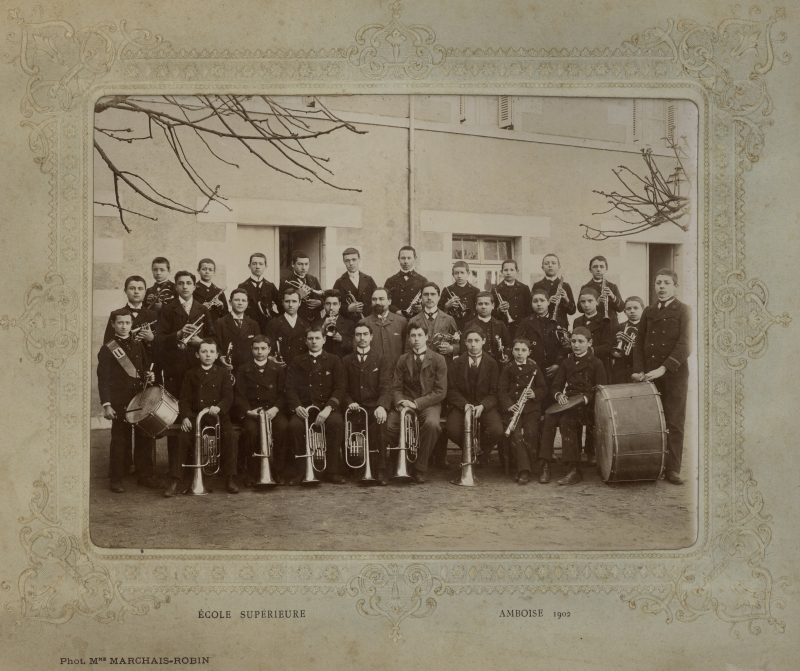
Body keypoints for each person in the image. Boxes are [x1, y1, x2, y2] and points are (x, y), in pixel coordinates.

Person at [632, 269, 691, 485]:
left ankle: (673, 469)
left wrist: (664, 368)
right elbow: (639, 343)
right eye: (658, 283)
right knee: (650, 421)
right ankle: (652, 464)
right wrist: (638, 370)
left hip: (674, 375)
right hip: (649, 375)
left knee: (674, 422)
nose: (662, 287)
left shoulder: (685, 311)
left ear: (676, 286)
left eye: (667, 283)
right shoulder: (648, 311)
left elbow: (686, 344)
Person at [156, 270, 217, 476]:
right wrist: (179, 334)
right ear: (175, 286)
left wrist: (200, 342)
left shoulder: (202, 309)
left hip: (198, 370)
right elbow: (159, 340)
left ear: (194, 286)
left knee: (195, 414)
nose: (184, 286)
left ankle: (196, 466)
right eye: (180, 283)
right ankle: (176, 469)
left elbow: (212, 337)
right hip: (175, 370)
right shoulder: (167, 309)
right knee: (178, 421)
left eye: (188, 283)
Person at [97, 309, 159, 492]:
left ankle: (145, 475)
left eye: (127, 323)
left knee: (144, 437)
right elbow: (103, 378)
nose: (124, 327)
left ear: (132, 325)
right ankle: (116, 477)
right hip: (118, 400)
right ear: (113, 325)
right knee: (120, 439)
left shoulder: (138, 345)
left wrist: (150, 374)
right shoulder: (108, 348)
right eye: (120, 323)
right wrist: (106, 405)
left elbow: (145, 367)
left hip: (139, 398)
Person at [166, 338, 237, 496]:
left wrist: (218, 407)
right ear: (197, 355)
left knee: (230, 436)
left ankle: (230, 478)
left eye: (211, 352)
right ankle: (175, 480)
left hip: (217, 416)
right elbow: (183, 399)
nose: (208, 355)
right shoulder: (190, 374)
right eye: (204, 352)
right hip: (196, 416)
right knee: (182, 438)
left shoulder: (223, 373)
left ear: (217, 355)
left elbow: (228, 397)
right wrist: (185, 417)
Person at [539, 327, 607, 486]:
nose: (576, 345)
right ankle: (545, 464)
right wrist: (559, 396)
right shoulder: (567, 362)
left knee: (567, 420)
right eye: (573, 341)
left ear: (590, 343)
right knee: (549, 418)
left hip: (588, 405)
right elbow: (555, 386)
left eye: (581, 341)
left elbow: (601, 390)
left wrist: (584, 398)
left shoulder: (597, 363)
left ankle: (574, 469)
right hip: (568, 401)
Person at [285, 327, 347, 484]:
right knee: (294, 426)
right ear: (306, 341)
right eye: (310, 338)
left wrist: (328, 408)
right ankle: (301, 471)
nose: (314, 341)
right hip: (304, 409)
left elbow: (340, 387)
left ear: (324, 340)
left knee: (336, 423)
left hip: (327, 409)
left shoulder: (334, 360)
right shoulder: (297, 361)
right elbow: (290, 388)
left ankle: (332, 471)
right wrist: (297, 407)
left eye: (317, 338)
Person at [387, 324, 448, 484]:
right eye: (413, 336)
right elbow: (396, 387)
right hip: (405, 402)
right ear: (409, 338)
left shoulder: (438, 359)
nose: (416, 339)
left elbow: (440, 392)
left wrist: (416, 403)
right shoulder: (402, 359)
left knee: (432, 425)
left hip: (429, 404)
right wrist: (400, 402)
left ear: (426, 337)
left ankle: (420, 468)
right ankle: (400, 462)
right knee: (389, 426)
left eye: (420, 335)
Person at [232, 336, 291, 486]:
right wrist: (247, 412)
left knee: (283, 428)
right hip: (253, 413)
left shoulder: (277, 369)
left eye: (263, 348)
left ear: (269, 350)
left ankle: (278, 472)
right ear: (251, 350)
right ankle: (252, 473)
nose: (259, 352)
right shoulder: (243, 369)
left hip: (272, 411)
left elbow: (283, 393)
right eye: (256, 348)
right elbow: (239, 395)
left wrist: (275, 409)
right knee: (250, 431)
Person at [445, 327, 503, 469]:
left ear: (483, 341)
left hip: (484, 406)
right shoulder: (456, 363)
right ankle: (469, 450)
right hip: (462, 406)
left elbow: (494, 392)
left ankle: (482, 452)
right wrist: (464, 405)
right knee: (452, 429)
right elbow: (452, 390)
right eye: (470, 341)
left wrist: (483, 405)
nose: (473, 344)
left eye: (477, 340)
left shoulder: (492, 363)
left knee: (496, 430)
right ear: (464, 342)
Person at [342, 323, 393, 486]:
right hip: (354, 409)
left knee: (381, 423)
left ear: (371, 337)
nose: (362, 338)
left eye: (365, 334)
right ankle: (356, 467)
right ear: (354, 338)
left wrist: (382, 406)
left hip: (374, 407)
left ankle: (381, 469)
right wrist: (349, 403)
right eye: (358, 335)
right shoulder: (346, 361)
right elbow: (342, 389)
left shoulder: (382, 359)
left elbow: (386, 386)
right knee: (348, 430)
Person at [498, 338, 547, 484]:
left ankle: (528, 466)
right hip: (513, 409)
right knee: (516, 434)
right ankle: (524, 470)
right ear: (512, 351)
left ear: (529, 352)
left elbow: (543, 388)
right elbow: (501, 391)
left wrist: (534, 394)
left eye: (523, 350)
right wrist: (508, 405)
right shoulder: (507, 368)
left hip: (531, 408)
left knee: (532, 433)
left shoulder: (534, 367)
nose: (520, 353)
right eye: (517, 350)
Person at [102, 275, 157, 359]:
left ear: (145, 292)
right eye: (132, 288)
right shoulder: (115, 314)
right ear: (125, 291)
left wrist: (152, 338)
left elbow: (162, 345)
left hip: (146, 363)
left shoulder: (154, 315)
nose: (136, 292)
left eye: (140, 288)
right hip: (123, 364)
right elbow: (108, 343)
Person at [405, 282, 460, 359]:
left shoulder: (449, 319)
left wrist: (451, 348)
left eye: (433, 294)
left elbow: (457, 343)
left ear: (438, 297)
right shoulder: (413, 320)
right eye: (426, 294)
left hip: (443, 365)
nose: (429, 297)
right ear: (421, 298)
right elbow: (408, 348)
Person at [214, 288, 260, 376]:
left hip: (248, 370)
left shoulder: (254, 324)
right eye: (236, 300)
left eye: (243, 300)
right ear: (230, 302)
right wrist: (220, 358)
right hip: (227, 369)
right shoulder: (220, 323)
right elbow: (216, 346)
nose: (240, 303)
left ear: (247, 303)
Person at [359, 287, 407, 369]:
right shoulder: (363, 323)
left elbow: (406, 349)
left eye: (381, 299)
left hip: (396, 372)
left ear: (389, 301)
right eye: (374, 299)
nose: (377, 302)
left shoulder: (401, 321)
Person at [573, 287, 614, 381]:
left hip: (600, 366)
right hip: (581, 366)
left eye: (590, 301)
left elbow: (606, 347)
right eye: (582, 302)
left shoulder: (606, 321)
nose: (586, 305)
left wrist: (585, 350)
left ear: (597, 301)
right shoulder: (577, 321)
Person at [264, 287, 310, 368]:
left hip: (300, 370)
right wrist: (270, 358)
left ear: (299, 303)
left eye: (294, 301)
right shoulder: (273, 324)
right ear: (282, 303)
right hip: (281, 370)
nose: (290, 305)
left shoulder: (306, 325)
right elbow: (268, 348)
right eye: (287, 301)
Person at [464, 291, 512, 364]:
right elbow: (463, 349)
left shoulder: (500, 324)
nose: (483, 306)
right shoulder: (468, 325)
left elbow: (508, 344)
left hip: (497, 365)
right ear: (476, 306)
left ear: (493, 306)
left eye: (486, 304)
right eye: (480, 304)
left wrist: (506, 354)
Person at [332, 247, 377, 323]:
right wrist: (348, 308)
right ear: (344, 262)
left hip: (368, 321)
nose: (351, 263)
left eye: (354, 259)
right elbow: (333, 304)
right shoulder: (339, 282)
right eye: (347, 261)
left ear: (359, 259)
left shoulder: (369, 280)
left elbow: (376, 300)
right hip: (348, 323)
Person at [237, 253, 279, 333]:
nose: (257, 266)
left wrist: (274, 319)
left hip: (267, 327)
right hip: (248, 326)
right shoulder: (242, 286)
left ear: (265, 266)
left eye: (261, 264)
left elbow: (281, 304)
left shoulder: (270, 286)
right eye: (254, 263)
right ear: (249, 266)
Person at [278, 250, 324, 324]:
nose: (304, 268)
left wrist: (320, 303)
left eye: (306, 264)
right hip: (298, 322)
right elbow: (280, 306)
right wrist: (298, 296)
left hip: (315, 321)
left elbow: (322, 298)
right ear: (293, 264)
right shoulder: (285, 282)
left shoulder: (313, 279)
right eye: (300, 264)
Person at [578, 255, 625, 326]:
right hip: (593, 324)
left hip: (611, 324)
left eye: (602, 267)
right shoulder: (585, 287)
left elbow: (621, 308)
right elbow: (580, 308)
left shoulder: (612, 286)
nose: (598, 269)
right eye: (595, 267)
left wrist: (613, 297)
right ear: (590, 269)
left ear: (606, 269)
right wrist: (597, 302)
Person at [531, 254, 575, 329]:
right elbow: (532, 308)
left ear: (559, 267)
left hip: (560, 325)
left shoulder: (565, 286)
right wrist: (547, 302)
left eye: (553, 263)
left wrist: (566, 299)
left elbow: (572, 311)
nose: (550, 265)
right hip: (542, 324)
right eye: (547, 263)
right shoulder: (537, 285)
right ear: (542, 267)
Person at [492, 259, 532, 338]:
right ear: (501, 272)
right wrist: (499, 310)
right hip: (503, 327)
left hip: (520, 327)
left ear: (517, 271)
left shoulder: (524, 288)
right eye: (506, 270)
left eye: (512, 270)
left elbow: (529, 310)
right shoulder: (495, 289)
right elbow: (492, 312)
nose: (508, 273)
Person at [385, 246, 428, 317]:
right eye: (403, 258)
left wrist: (422, 307)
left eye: (409, 258)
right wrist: (397, 312)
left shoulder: (422, 280)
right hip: (396, 318)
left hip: (416, 319)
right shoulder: (390, 281)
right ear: (398, 259)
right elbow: (385, 301)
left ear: (415, 259)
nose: (406, 261)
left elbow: (428, 300)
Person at [610, 297, 644, 385]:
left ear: (643, 310)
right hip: (621, 371)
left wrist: (635, 344)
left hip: (639, 370)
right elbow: (611, 352)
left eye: (636, 308)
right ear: (624, 311)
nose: (632, 311)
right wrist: (617, 343)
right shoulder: (618, 328)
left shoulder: (647, 327)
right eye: (628, 309)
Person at [313, 290, 355, 359]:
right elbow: (312, 344)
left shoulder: (350, 323)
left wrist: (342, 339)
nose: (331, 308)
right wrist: (323, 327)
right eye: (328, 304)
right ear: (323, 305)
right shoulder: (316, 324)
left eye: (335, 304)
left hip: (342, 362)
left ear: (340, 305)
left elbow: (354, 344)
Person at [439, 261, 479, 331]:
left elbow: (478, 311)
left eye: (462, 273)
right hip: (451, 326)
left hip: (469, 327)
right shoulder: (447, 290)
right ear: (453, 274)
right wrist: (447, 305)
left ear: (468, 273)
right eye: (456, 273)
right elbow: (438, 310)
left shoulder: (475, 291)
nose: (459, 276)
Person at [193, 258, 229, 322]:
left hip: (214, 326)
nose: (207, 272)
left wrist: (221, 306)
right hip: (198, 325)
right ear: (198, 270)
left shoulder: (219, 291)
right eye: (204, 269)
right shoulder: (193, 289)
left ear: (214, 272)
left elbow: (226, 314)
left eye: (210, 270)